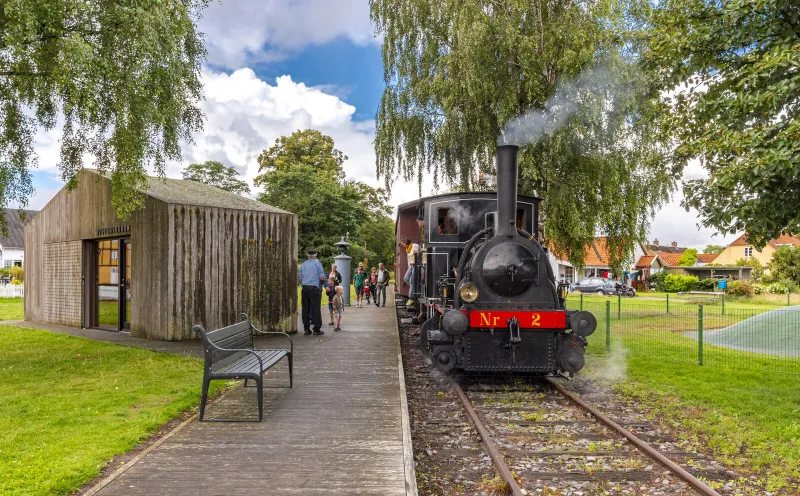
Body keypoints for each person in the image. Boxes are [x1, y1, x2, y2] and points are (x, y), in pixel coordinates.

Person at [298, 247, 326, 335]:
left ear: (307, 255)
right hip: (314, 287)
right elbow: (322, 277)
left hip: (305, 287)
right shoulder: (318, 264)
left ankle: (306, 328)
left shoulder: (303, 264)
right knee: (315, 308)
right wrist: (321, 283)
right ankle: (316, 329)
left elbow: (300, 276)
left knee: (305, 308)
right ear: (315, 255)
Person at [401, 236, 420, 306]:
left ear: (405, 242)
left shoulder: (414, 245)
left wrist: (417, 252)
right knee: (406, 278)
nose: (402, 245)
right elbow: (409, 260)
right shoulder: (407, 249)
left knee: (412, 282)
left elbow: (418, 254)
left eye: (403, 244)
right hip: (411, 266)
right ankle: (416, 288)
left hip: (416, 265)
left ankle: (411, 298)